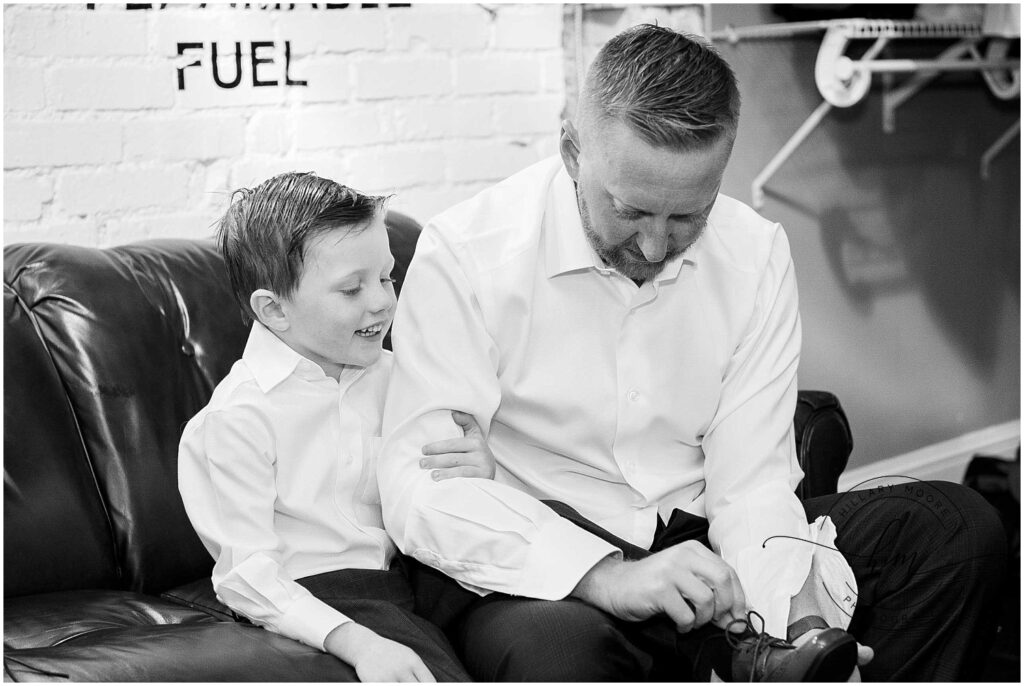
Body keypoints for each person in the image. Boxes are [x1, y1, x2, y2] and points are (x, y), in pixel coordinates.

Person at [377, 24, 1006, 681]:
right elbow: (417, 487)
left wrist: (797, 623)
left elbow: (751, 481)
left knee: (958, 532)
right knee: (558, 652)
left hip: (703, 539)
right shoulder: (467, 255)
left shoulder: (754, 252)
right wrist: (607, 576)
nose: (653, 247)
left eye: (687, 218)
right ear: (571, 151)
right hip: (550, 560)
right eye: (630, 211)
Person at [178, 172, 494, 683]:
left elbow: (434, 487)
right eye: (352, 289)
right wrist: (360, 643)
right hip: (322, 592)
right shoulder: (238, 419)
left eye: (388, 277)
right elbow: (246, 576)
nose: (381, 302)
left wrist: (479, 471)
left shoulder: (397, 376)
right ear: (274, 309)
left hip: (413, 570)